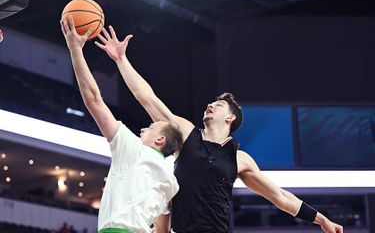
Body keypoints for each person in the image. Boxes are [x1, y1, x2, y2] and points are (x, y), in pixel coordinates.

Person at [95, 26, 344, 233]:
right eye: (211, 103)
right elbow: (147, 97)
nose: (210, 105)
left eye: (219, 104)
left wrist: (321, 219)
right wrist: (121, 60)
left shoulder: (240, 159)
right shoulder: (186, 134)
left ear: (231, 118)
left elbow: (279, 197)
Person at [60, 17, 182, 233]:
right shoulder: (170, 180)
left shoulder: (134, 149)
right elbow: (162, 230)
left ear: (159, 140)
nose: (143, 130)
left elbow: (94, 100)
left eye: (149, 128)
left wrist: (75, 49)